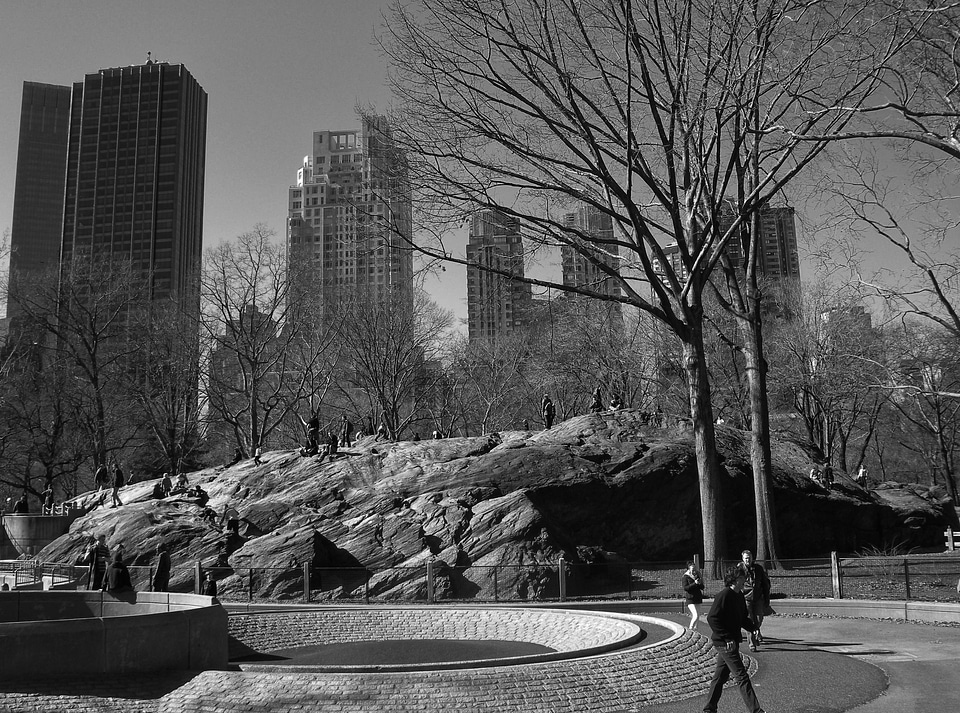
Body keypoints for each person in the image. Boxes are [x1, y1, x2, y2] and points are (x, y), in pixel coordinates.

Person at [702, 567, 766, 713]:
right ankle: (756, 710)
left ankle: (709, 709)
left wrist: (754, 628)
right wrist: (726, 637)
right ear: (736, 579)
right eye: (743, 578)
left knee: (719, 677)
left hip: (731, 642)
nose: (746, 580)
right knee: (742, 676)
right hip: (725, 643)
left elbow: (743, 618)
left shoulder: (739, 596)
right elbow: (712, 618)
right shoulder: (723, 595)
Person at [735, 549, 771, 651]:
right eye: (746, 558)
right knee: (749, 621)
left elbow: (765, 584)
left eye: (749, 558)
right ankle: (752, 644)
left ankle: (756, 631)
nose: (748, 560)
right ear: (742, 559)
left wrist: (767, 598)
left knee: (759, 619)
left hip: (758, 598)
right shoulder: (739, 569)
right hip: (746, 598)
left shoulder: (758, 568)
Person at [682, 561, 705, 630]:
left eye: (695, 569)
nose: (694, 571)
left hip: (697, 597)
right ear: (688, 569)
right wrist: (694, 583)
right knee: (695, 615)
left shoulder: (696, 576)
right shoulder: (685, 577)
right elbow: (686, 588)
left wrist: (699, 582)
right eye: (692, 569)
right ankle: (690, 629)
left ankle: (696, 630)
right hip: (690, 599)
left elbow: (702, 587)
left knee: (698, 616)